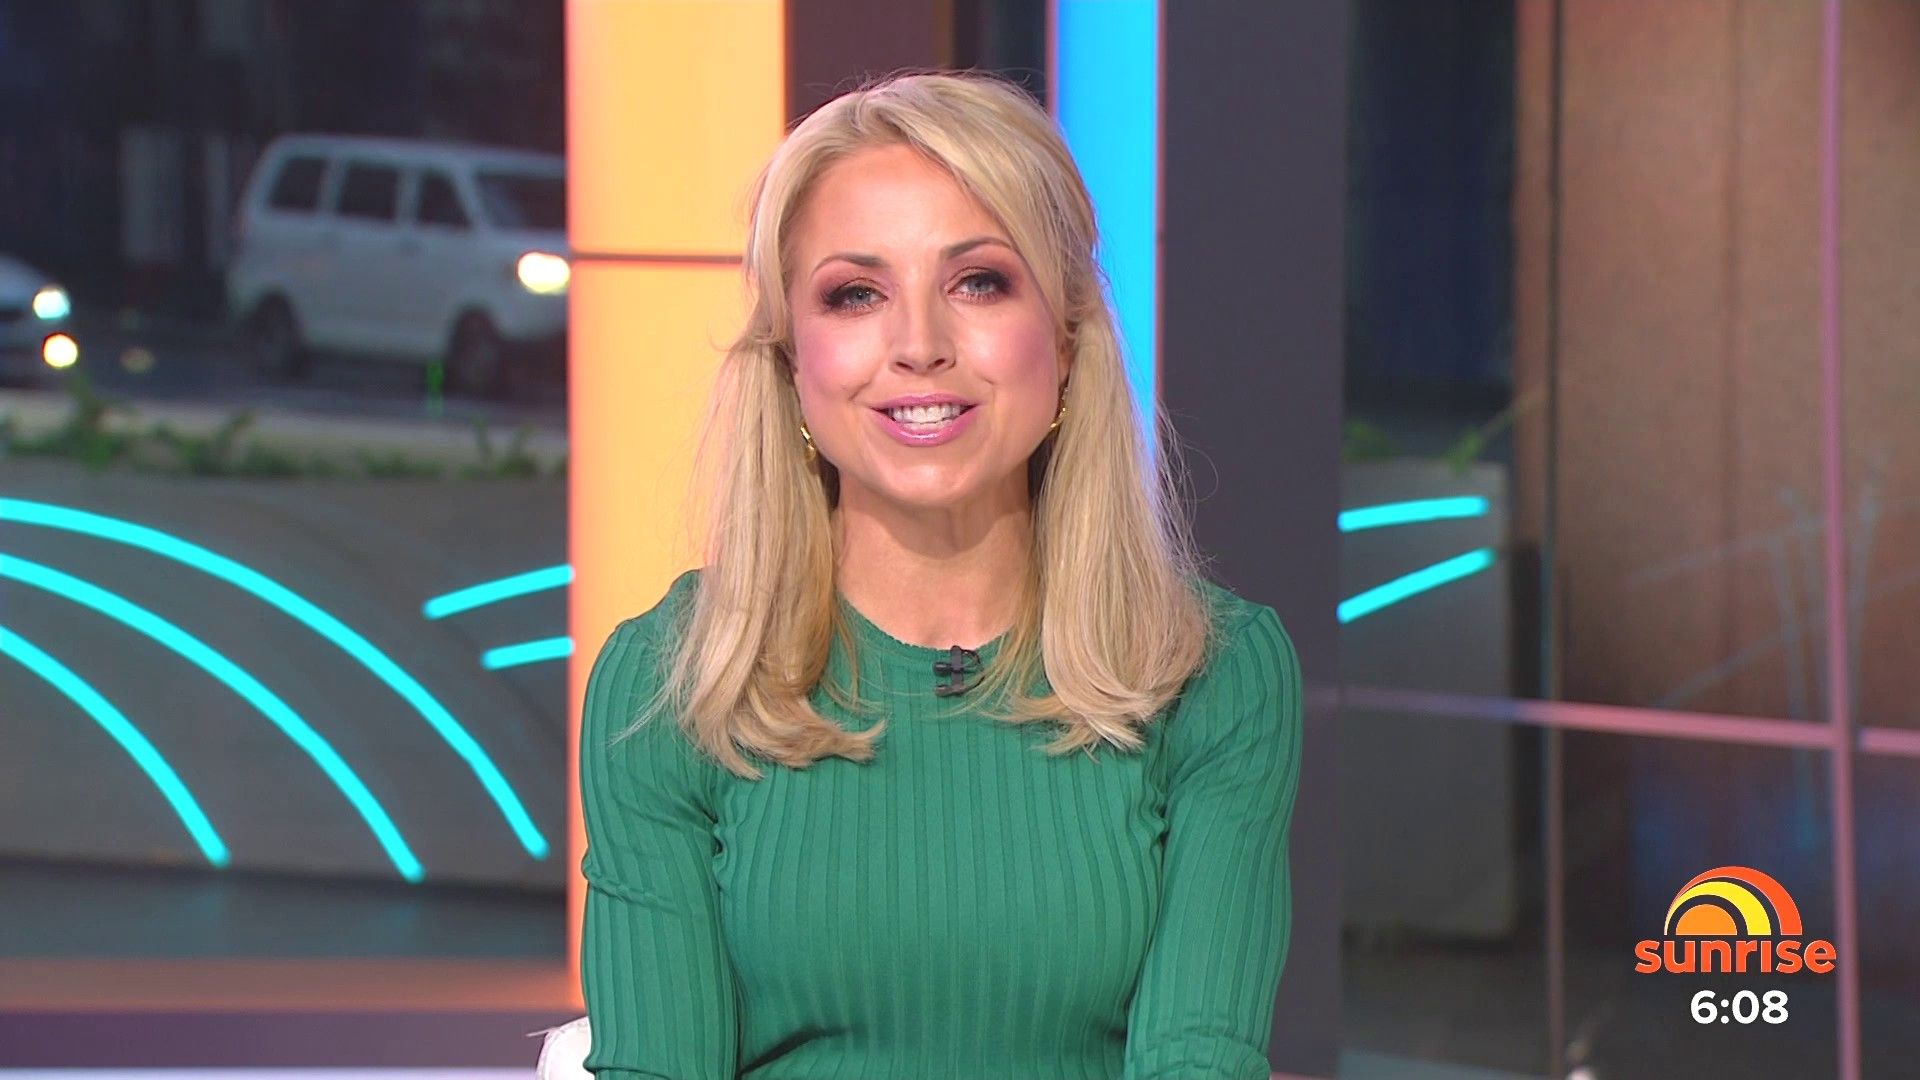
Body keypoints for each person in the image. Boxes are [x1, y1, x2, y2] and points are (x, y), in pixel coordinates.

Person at [577, 70, 1303, 1080]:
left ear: (1067, 338)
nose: (919, 346)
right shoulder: (674, 679)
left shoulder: (1215, 673)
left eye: (978, 283)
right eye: (856, 294)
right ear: (792, 361)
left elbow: (1200, 1060)